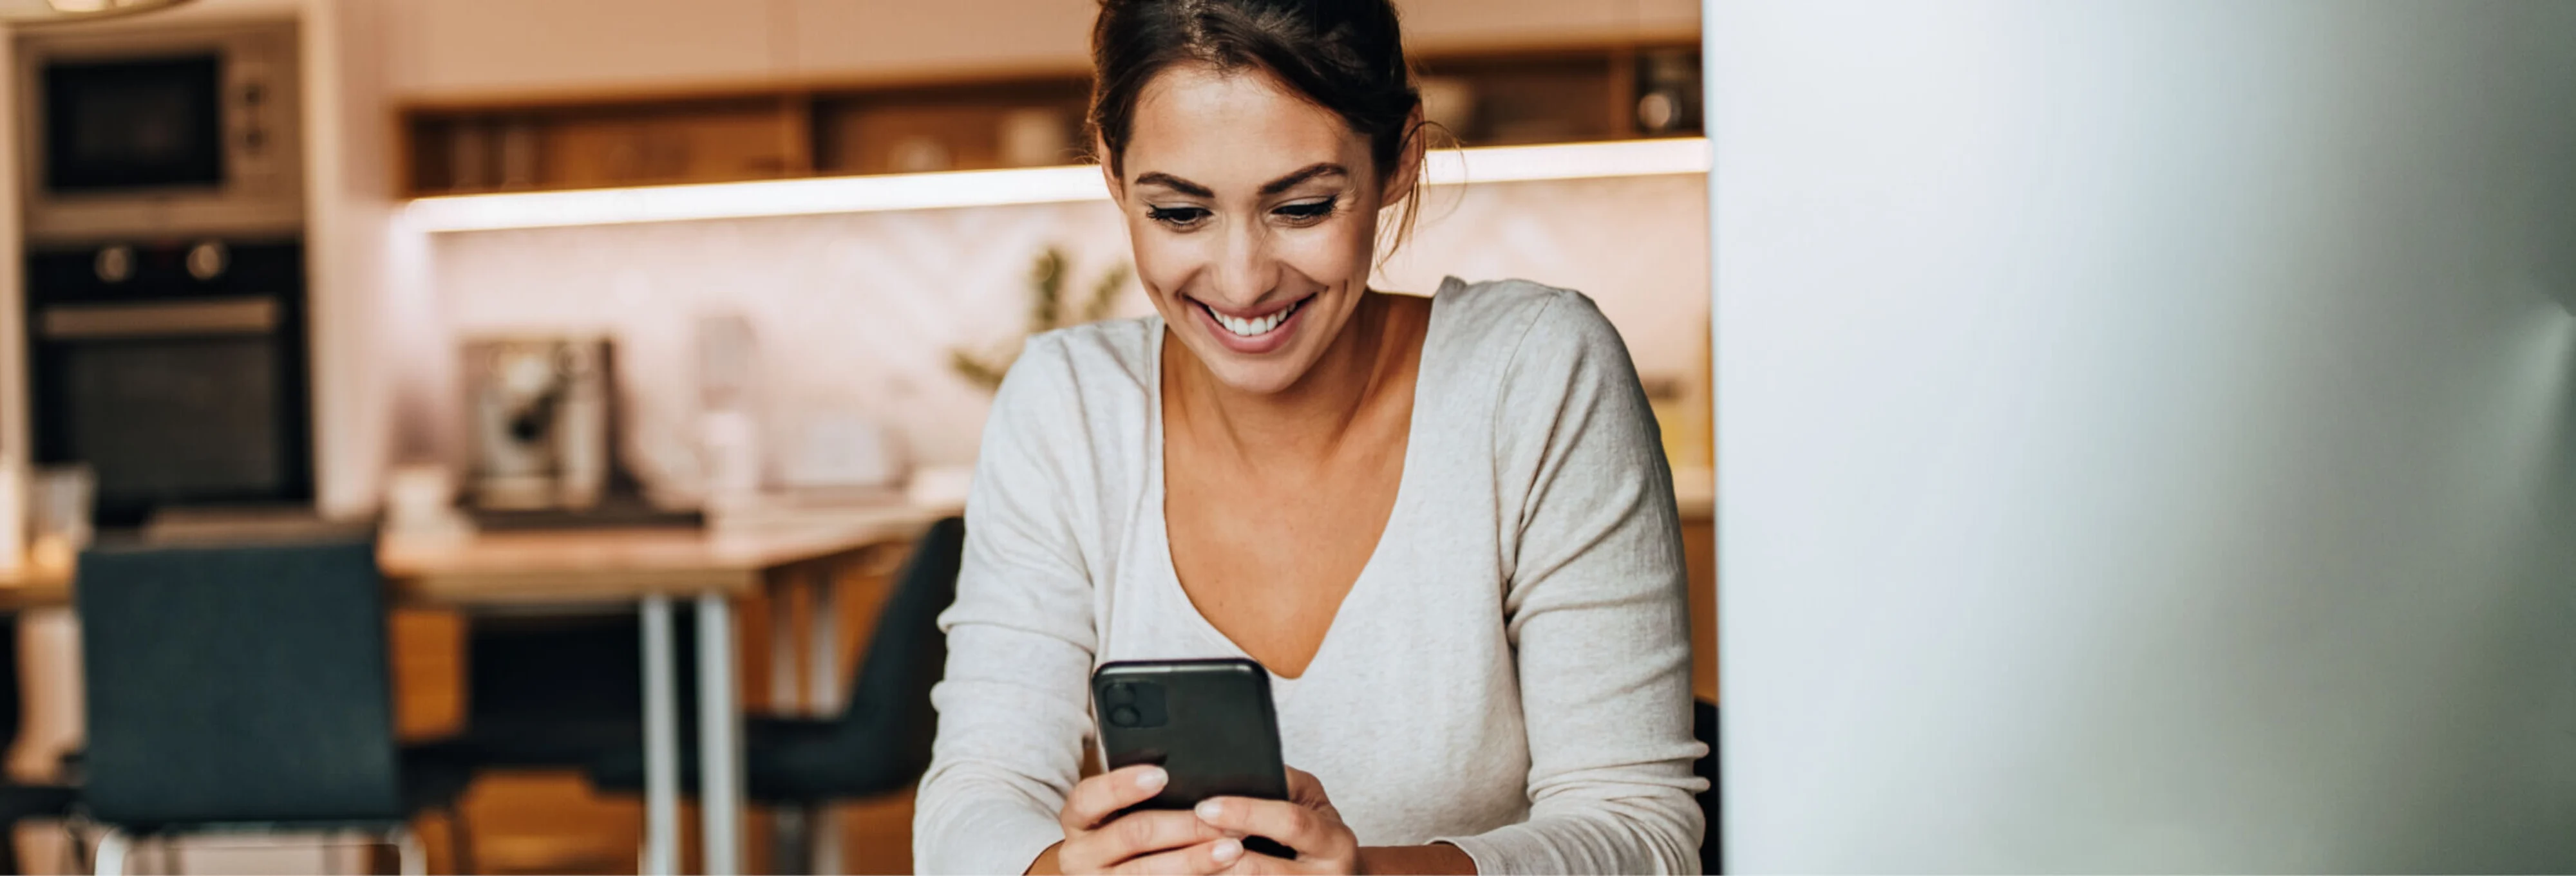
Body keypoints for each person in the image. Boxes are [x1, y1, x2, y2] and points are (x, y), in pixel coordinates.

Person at [914, 0, 1705, 872]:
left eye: (1302, 206)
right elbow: (970, 810)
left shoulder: (1535, 376)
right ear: (1112, 170)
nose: (1244, 280)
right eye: (1180, 214)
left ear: (1400, 157)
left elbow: (1642, 834)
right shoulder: (1068, 407)